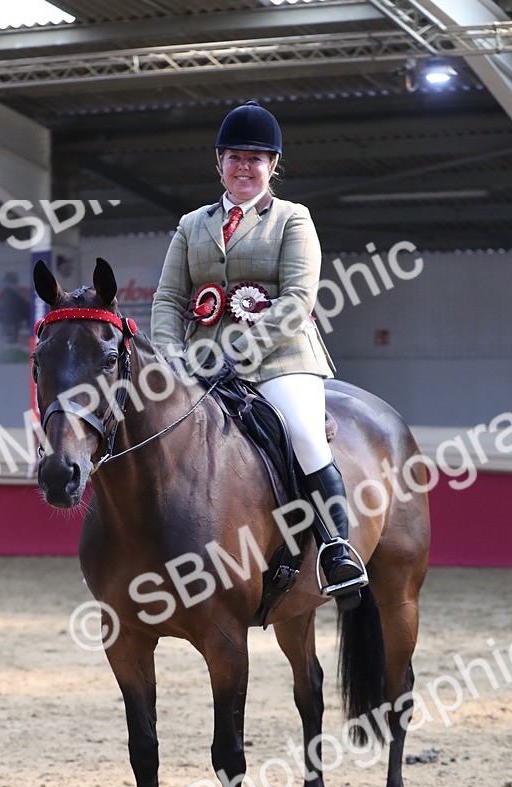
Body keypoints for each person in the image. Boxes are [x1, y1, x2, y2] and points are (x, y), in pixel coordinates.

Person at [151, 100, 367, 606]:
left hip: (280, 359)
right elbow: (168, 299)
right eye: (235, 157)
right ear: (219, 162)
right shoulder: (191, 225)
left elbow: (297, 300)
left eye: (256, 158)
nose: (244, 167)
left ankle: (337, 550)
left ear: (273, 166)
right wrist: (169, 355)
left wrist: (236, 349)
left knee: (305, 435)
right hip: (200, 363)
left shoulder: (293, 219)